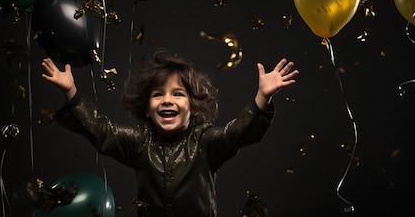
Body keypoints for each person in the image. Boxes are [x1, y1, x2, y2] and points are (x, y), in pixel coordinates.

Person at [41, 48, 299, 216]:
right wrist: (71, 92)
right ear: (146, 109)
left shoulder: (206, 143)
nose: (167, 100)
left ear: (194, 107)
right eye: (158, 95)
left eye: (177, 94)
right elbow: (101, 130)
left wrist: (261, 97)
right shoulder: (140, 142)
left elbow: (238, 131)